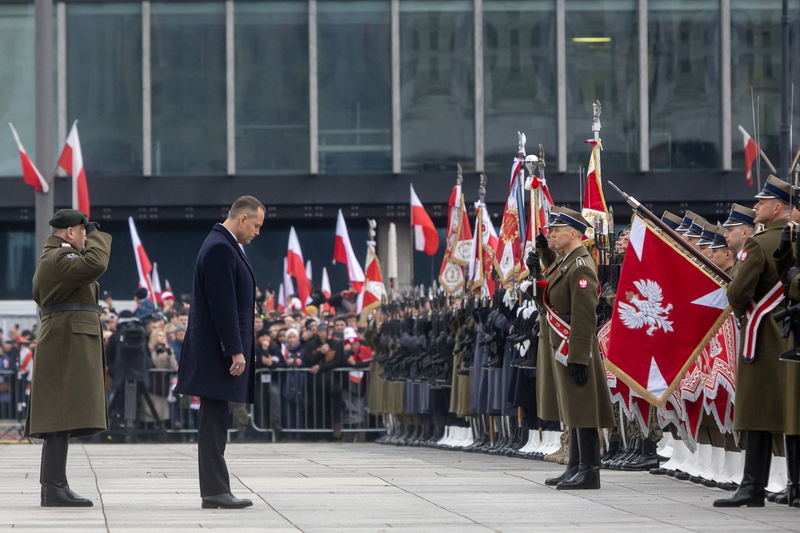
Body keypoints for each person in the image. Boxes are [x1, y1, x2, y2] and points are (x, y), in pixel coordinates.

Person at [174, 196, 264, 509]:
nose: (257, 232)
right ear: (242, 218)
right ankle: (214, 490)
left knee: (216, 421)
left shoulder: (223, 245)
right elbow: (223, 306)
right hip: (216, 351)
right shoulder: (219, 248)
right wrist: (235, 350)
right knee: (213, 423)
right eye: (255, 225)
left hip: (217, 350)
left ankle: (215, 490)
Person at [715, 175, 792, 507]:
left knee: (758, 412)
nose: (755, 207)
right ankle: (794, 483)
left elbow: (737, 293)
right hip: (790, 335)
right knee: (791, 413)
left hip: (764, 338)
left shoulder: (758, 245)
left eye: (761, 203)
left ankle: (752, 487)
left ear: (776, 208)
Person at [25, 209, 111, 507]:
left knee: (61, 416)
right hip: (65, 339)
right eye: (84, 231)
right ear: (71, 232)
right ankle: (54, 486)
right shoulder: (60, 257)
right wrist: (99, 238)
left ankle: (54, 486)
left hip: (66, 338)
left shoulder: (58, 258)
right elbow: (96, 263)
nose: (87, 236)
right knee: (59, 415)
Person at [527, 207, 615, 490]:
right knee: (574, 409)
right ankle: (575, 466)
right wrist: (543, 252)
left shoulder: (581, 266)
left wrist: (578, 356)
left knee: (583, 409)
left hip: (575, 348)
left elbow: (584, 314)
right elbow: (553, 278)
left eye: (555, 230)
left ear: (574, 233)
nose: (550, 233)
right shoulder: (568, 261)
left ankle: (589, 471)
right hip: (564, 346)